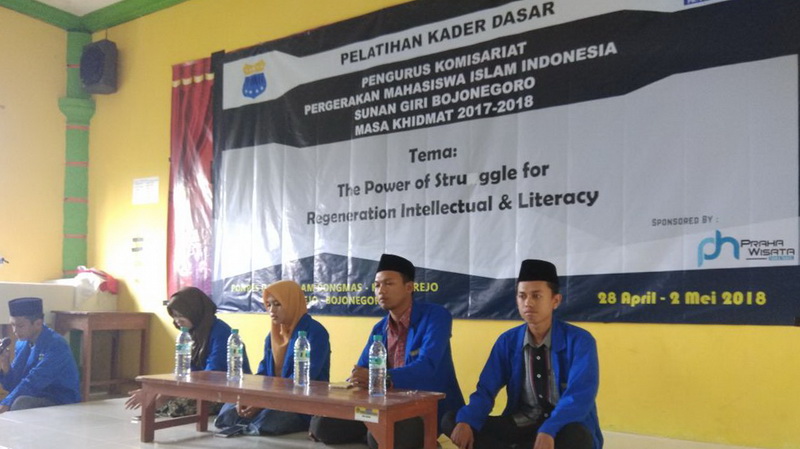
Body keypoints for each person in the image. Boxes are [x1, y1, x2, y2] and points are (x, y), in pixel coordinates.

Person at [443, 259, 603, 449]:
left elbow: (579, 397)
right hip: (522, 423)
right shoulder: (508, 341)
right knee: (452, 420)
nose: (528, 303)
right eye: (522, 296)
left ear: (555, 300)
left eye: (536, 296)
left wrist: (549, 429)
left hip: (561, 427)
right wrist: (467, 420)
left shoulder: (580, 341)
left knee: (577, 437)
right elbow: (486, 390)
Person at [310, 254, 465, 449]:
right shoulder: (379, 328)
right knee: (322, 425)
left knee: (382, 435)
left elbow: (427, 367)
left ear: (409, 287)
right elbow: (362, 371)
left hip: (423, 410)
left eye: (388, 284)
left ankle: (407, 439)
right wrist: (352, 384)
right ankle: (374, 433)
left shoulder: (435, 316)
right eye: (377, 285)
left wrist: (384, 378)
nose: (381, 291)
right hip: (384, 408)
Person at [214, 279, 331, 435]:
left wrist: (265, 402)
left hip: (300, 400)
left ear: (291, 303)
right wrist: (251, 397)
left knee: (270, 420)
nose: (271, 310)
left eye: (277, 304)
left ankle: (253, 422)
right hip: (272, 397)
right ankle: (251, 422)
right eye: (268, 305)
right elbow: (263, 373)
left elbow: (304, 379)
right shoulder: (273, 335)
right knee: (229, 410)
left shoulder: (315, 332)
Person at [125, 286, 251, 415]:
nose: (177, 321)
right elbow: (184, 369)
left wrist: (165, 395)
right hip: (203, 386)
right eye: (174, 316)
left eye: (181, 315)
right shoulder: (191, 333)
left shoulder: (221, 332)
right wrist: (157, 390)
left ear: (195, 311)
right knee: (163, 397)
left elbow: (212, 373)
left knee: (176, 405)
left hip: (225, 389)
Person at [0, 297, 80, 413]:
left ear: (38, 323)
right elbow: (13, 385)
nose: (14, 331)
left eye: (20, 326)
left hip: (60, 400)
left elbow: (33, 382)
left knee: (20, 403)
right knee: (15, 400)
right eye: (13, 325)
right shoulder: (22, 343)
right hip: (34, 396)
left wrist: (6, 403)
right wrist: (5, 364)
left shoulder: (56, 345)